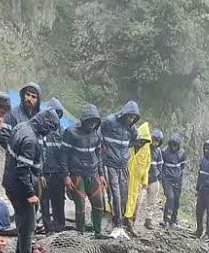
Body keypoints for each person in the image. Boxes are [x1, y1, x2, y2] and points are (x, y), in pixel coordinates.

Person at [2, 109, 60, 253]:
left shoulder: (21, 126)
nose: (48, 133)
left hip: (10, 181)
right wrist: (30, 193)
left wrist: (38, 174)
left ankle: (20, 250)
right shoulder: (30, 139)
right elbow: (23, 170)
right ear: (45, 124)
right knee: (28, 221)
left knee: (21, 218)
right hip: (20, 186)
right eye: (49, 128)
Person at [62, 104, 108, 238]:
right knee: (80, 206)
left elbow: (98, 154)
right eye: (90, 121)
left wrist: (101, 174)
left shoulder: (97, 133)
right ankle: (80, 233)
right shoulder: (71, 132)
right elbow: (64, 155)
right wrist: (66, 176)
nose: (92, 124)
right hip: (77, 174)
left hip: (93, 174)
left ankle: (98, 231)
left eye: (95, 122)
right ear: (84, 120)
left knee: (99, 204)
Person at [100, 100, 140, 238]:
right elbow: (98, 134)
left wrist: (126, 153)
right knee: (114, 194)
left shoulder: (132, 129)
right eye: (129, 116)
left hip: (123, 165)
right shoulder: (109, 121)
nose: (131, 119)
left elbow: (136, 140)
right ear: (124, 114)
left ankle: (120, 223)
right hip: (110, 163)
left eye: (134, 118)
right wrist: (103, 150)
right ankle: (115, 223)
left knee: (123, 196)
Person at [40, 97, 67, 233]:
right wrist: (39, 173)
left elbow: (65, 154)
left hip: (58, 173)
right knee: (44, 202)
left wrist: (65, 173)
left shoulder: (63, 131)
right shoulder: (41, 130)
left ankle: (60, 226)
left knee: (59, 201)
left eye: (58, 113)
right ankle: (47, 227)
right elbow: (37, 153)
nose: (55, 116)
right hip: (44, 173)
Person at [124, 121, 152, 237]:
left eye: (143, 141)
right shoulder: (129, 145)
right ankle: (117, 221)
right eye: (140, 140)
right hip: (126, 177)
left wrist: (144, 181)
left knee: (134, 201)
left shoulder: (146, 150)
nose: (140, 143)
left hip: (136, 181)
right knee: (121, 198)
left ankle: (129, 222)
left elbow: (147, 166)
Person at [0, 82, 41, 150]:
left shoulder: (40, 117)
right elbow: (4, 137)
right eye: (27, 94)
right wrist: (17, 151)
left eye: (33, 97)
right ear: (23, 95)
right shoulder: (12, 114)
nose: (29, 99)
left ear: (38, 100)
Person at [137, 128, 164, 230]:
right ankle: (132, 218)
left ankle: (148, 220)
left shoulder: (158, 151)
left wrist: (158, 176)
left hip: (154, 179)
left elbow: (161, 165)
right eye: (154, 140)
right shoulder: (144, 147)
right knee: (138, 200)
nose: (155, 143)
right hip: (143, 179)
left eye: (158, 141)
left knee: (151, 202)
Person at [160, 133, 187, 228]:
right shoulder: (164, 152)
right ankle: (165, 219)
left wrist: (180, 178)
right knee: (170, 198)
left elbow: (182, 166)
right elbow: (161, 166)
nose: (173, 147)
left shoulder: (182, 153)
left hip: (177, 179)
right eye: (172, 145)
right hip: (167, 179)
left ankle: (174, 220)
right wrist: (162, 178)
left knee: (176, 200)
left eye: (175, 145)